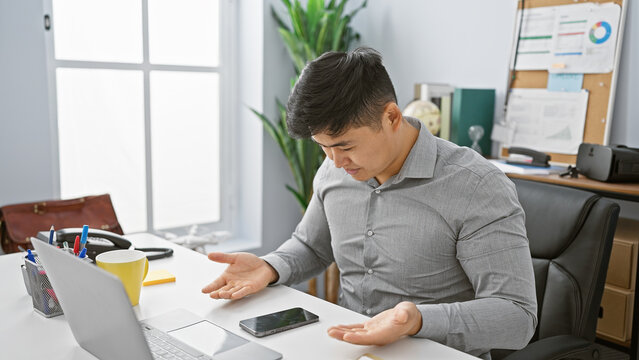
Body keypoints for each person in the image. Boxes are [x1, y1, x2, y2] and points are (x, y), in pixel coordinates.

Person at [201, 47, 537, 359]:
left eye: (345, 147)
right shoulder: (335, 168)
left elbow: (517, 316)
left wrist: (418, 319)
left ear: (391, 117)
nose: (334, 162)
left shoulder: (477, 186)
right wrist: (270, 267)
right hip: (347, 348)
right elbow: (312, 247)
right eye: (324, 147)